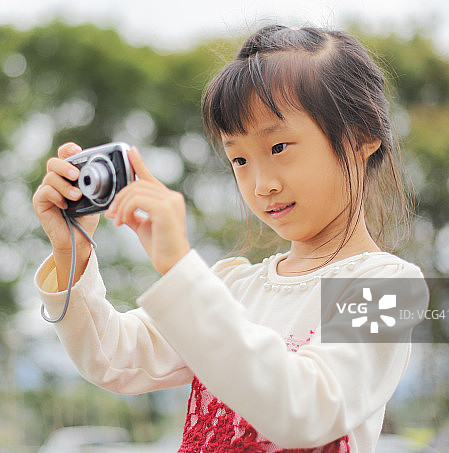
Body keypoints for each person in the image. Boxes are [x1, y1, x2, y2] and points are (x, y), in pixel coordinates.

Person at [31, 25, 424, 453]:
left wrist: (181, 272)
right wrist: (73, 254)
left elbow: (307, 409)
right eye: (239, 158)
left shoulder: (388, 288)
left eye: (278, 148)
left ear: (362, 137)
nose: (261, 185)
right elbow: (114, 359)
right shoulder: (231, 287)